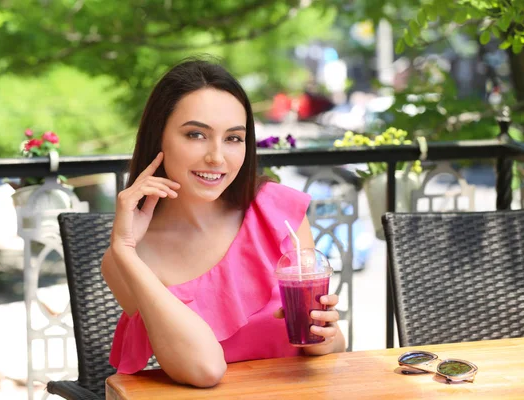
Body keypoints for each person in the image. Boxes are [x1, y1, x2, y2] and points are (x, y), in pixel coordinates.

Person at [101, 58, 346, 388]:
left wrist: (327, 336)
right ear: (159, 137)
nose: (216, 157)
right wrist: (126, 250)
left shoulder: (278, 212)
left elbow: (328, 349)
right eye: (196, 134)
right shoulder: (127, 259)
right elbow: (204, 370)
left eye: (233, 138)